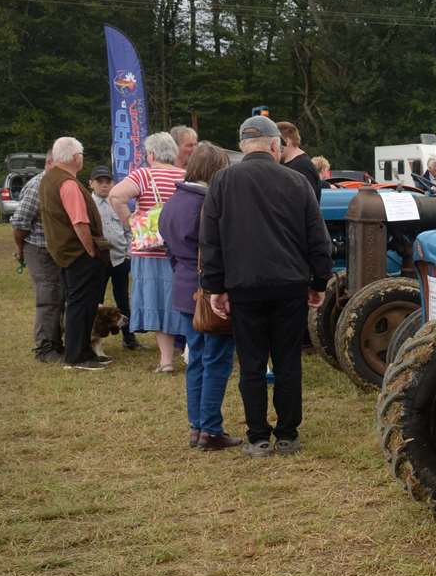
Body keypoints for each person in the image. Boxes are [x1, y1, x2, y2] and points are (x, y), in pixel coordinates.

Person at [199, 115, 332, 457]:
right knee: (288, 360)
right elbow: (318, 238)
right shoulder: (297, 181)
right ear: (276, 146)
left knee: (252, 362)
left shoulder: (222, 182)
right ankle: (287, 434)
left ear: (243, 148)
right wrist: (319, 281)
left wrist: (215, 286)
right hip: (289, 285)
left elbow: (210, 240)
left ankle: (258, 435)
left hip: (244, 287)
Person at [163, 142, 240, 451]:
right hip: (208, 290)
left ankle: (197, 426)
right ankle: (210, 429)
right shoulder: (208, 205)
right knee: (217, 360)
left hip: (182, 286)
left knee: (196, 359)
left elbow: (168, 247)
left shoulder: (173, 201)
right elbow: (218, 252)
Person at [108, 131, 187, 372]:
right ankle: (189, 353)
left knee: (158, 305)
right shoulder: (185, 176)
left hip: (148, 250)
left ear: (151, 154)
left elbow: (115, 195)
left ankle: (165, 362)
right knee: (182, 304)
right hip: (179, 250)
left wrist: (130, 221)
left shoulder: (143, 174)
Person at [39, 137, 111, 371]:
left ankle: (82, 351)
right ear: (74, 157)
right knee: (81, 304)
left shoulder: (49, 178)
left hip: (64, 252)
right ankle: (77, 355)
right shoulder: (68, 183)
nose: (82, 158)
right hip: (78, 253)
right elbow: (79, 222)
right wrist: (90, 250)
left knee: (81, 303)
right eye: (81, 154)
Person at [11, 155, 65, 361]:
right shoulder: (38, 186)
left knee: (59, 295)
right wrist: (21, 248)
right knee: (48, 297)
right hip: (39, 248)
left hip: (55, 250)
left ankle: (56, 343)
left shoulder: (57, 183)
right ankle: (44, 348)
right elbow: (20, 222)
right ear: (50, 163)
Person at [87, 165, 137, 350]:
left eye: (108, 181)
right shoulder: (87, 204)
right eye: (100, 181)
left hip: (119, 259)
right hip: (98, 261)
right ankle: (93, 338)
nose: (104, 185)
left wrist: (128, 253)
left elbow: (128, 228)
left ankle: (129, 338)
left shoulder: (118, 203)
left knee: (123, 299)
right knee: (95, 300)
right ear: (91, 183)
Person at [276, 121, 323, 199]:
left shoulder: (302, 167)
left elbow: (305, 202)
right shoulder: (291, 164)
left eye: (276, 142)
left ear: (287, 141)